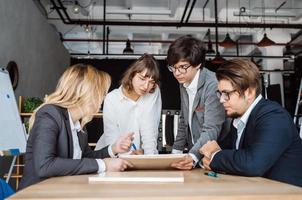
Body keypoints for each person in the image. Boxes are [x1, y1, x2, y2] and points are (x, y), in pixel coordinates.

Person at [19, 64, 134, 190]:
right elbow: (45, 166)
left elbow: (85, 157)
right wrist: (104, 165)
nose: (103, 98)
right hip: (37, 194)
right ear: (85, 93)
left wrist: (113, 148)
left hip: (63, 191)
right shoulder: (49, 115)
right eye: (101, 93)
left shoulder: (79, 125)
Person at [200, 59, 302, 187]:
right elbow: (224, 153)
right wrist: (210, 156)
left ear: (249, 92)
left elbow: (253, 164)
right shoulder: (238, 120)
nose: (221, 100)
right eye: (220, 93)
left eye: (226, 94)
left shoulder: (274, 116)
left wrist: (215, 155)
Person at [167, 35, 225, 169]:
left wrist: (191, 157)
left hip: (213, 157)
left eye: (182, 67)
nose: (177, 73)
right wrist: (176, 152)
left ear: (198, 64)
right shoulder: (184, 81)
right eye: (173, 67)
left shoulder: (213, 85)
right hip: (196, 156)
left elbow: (211, 129)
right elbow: (184, 120)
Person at [95, 53, 162, 155]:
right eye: (142, 79)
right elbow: (111, 139)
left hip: (139, 156)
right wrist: (129, 154)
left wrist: (149, 158)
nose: (146, 86)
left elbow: (150, 129)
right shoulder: (112, 99)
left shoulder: (153, 91)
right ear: (131, 75)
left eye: (151, 82)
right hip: (111, 156)